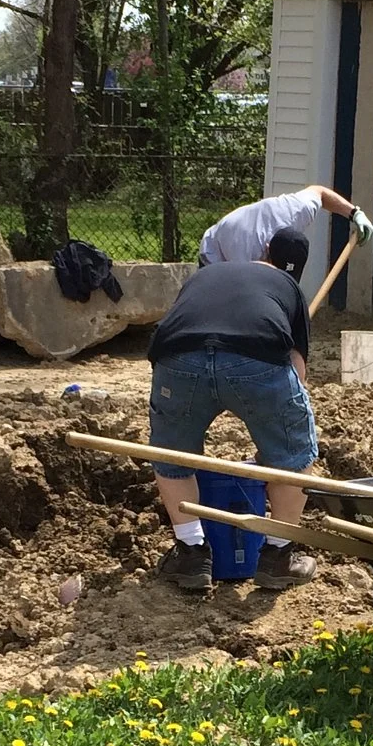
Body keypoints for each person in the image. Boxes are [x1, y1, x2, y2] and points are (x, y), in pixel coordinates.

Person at [144, 232, 323, 595]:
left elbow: (183, 327)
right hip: (255, 356)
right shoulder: (288, 287)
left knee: (172, 453)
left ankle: (192, 553)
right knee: (294, 454)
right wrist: (275, 438)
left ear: (263, 253)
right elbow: (298, 376)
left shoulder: (206, 275)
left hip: (177, 358)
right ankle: (277, 556)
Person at [199, 183, 369, 268]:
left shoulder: (295, 212)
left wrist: (355, 213)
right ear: (267, 251)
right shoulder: (246, 257)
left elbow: (319, 192)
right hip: (214, 255)